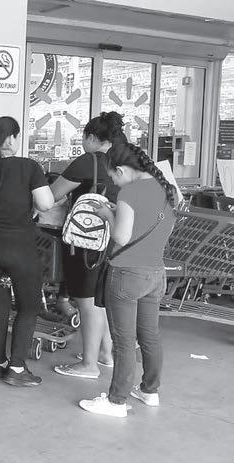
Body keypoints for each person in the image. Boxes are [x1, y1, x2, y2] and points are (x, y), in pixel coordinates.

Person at [79, 142, 176, 418]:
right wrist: (118, 211)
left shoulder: (129, 192)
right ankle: (150, 390)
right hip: (155, 273)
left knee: (123, 341)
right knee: (150, 335)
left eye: (112, 175)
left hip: (127, 274)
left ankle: (116, 401)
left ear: (121, 170)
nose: (113, 181)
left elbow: (121, 237)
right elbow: (158, 227)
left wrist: (108, 215)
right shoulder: (165, 188)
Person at [0, 116, 54, 387]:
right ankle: (16, 368)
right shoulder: (29, 167)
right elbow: (46, 203)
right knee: (28, 306)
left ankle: (0, 364)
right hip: (20, 249)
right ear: (12, 138)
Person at [49, 112, 124, 379]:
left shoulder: (88, 162)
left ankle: (89, 365)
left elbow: (51, 195)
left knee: (87, 300)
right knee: (100, 300)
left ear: (91, 137)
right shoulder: (122, 162)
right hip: (113, 238)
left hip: (86, 241)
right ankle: (105, 353)